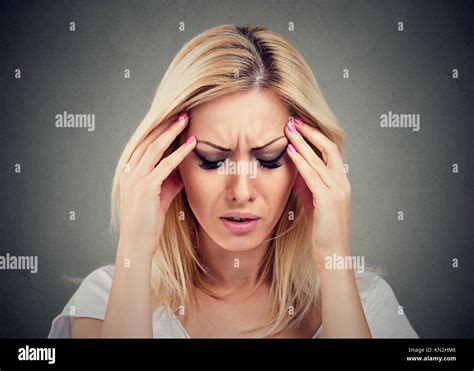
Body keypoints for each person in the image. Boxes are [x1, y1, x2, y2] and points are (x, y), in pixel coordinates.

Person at [49, 24, 418, 338]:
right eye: (212, 160)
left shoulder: (368, 305)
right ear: (170, 161)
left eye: (270, 159)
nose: (241, 192)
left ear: (307, 163)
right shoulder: (106, 299)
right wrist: (134, 248)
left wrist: (334, 257)